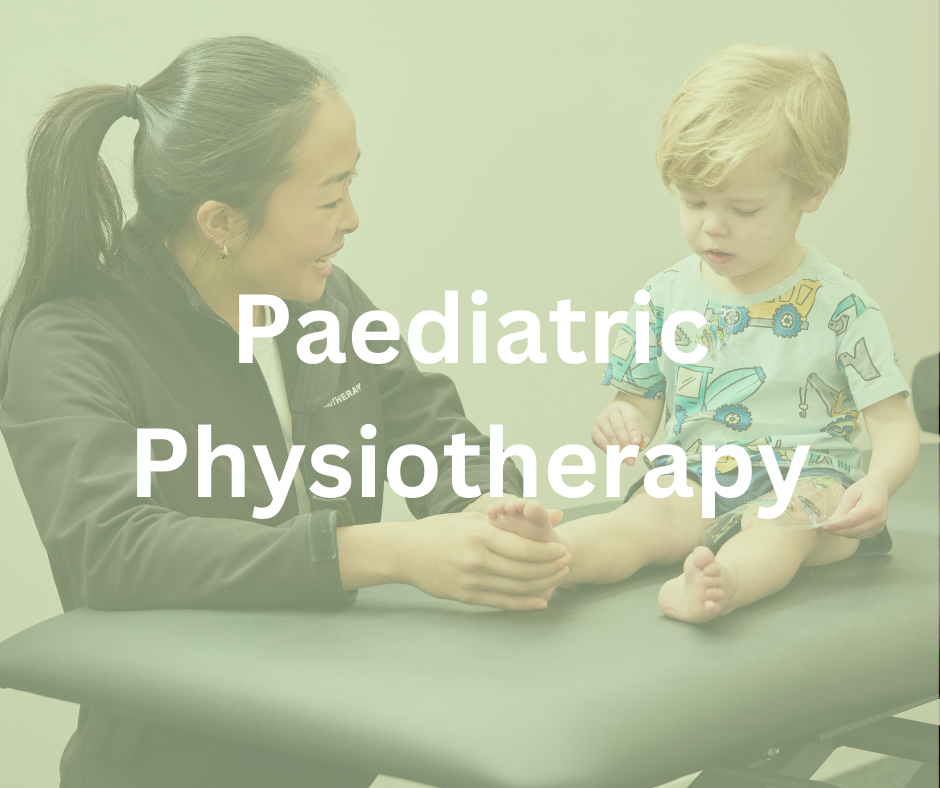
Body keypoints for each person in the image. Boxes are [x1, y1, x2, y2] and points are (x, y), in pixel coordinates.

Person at [0, 36, 571, 787]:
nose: (354, 219)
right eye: (330, 198)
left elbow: (428, 428)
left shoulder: (324, 299)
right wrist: (388, 552)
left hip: (333, 752)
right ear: (221, 222)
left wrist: (488, 512)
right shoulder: (71, 342)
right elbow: (113, 551)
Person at [486, 44, 920, 623]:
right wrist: (623, 424)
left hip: (813, 485)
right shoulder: (663, 296)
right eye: (694, 201)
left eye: (743, 209)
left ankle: (723, 585)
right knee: (642, 521)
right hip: (696, 474)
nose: (712, 226)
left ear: (812, 191)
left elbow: (893, 426)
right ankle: (554, 556)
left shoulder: (842, 305)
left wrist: (879, 484)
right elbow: (637, 404)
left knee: (778, 527)